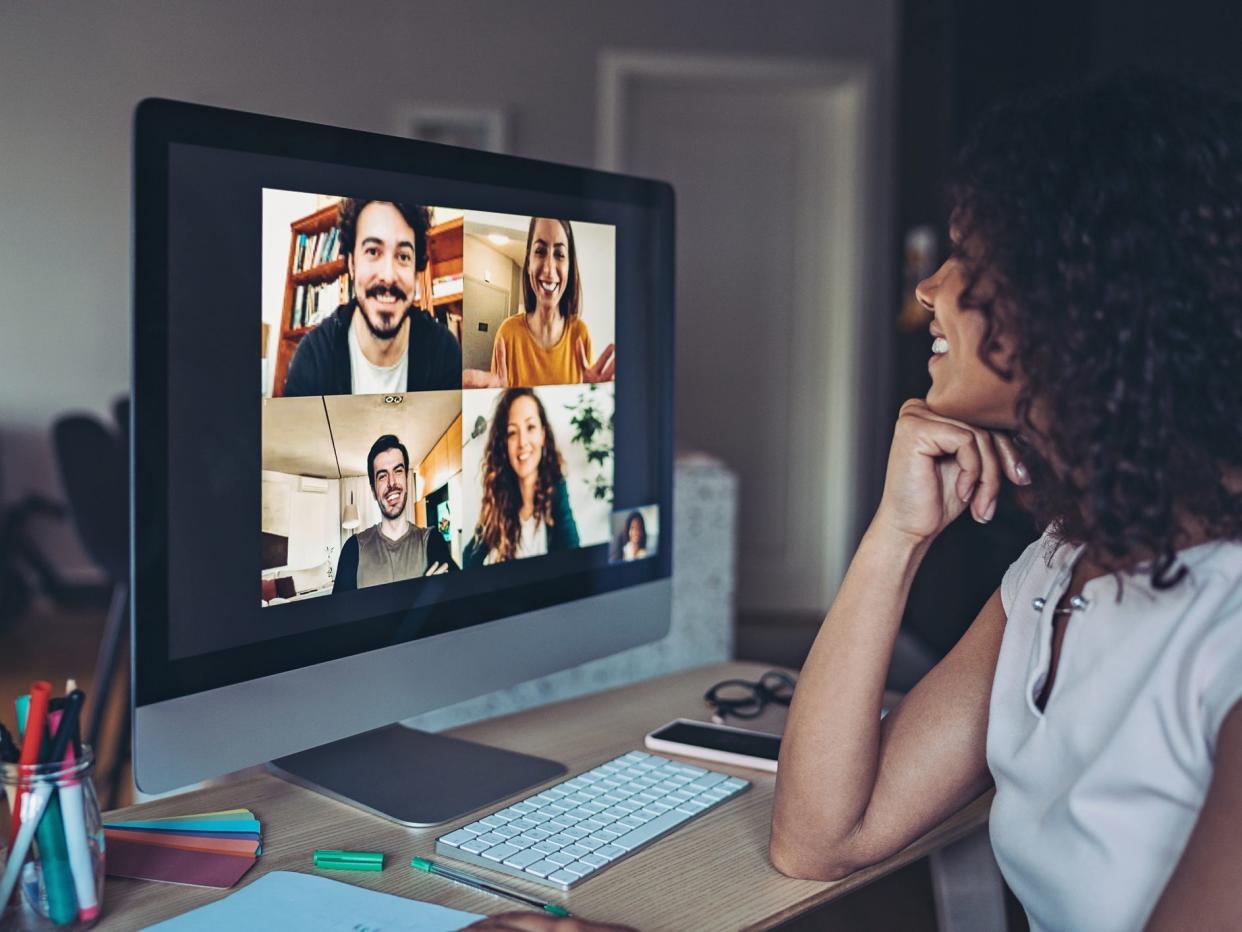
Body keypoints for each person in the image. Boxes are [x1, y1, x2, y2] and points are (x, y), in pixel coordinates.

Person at [769, 74, 1242, 931]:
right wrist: (897, 536)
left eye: (970, 261)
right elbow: (820, 837)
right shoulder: (1062, 566)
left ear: (1078, 301)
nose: (929, 288)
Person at [284, 199, 462, 396]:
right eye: (372, 251)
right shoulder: (313, 357)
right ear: (352, 263)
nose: (388, 276)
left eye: (403, 256)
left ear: (415, 271)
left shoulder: (444, 352)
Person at [462, 218, 616, 388]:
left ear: (569, 266)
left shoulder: (580, 333)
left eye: (559, 254)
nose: (549, 269)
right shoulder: (507, 334)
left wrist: (593, 394)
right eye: (540, 251)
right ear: (528, 262)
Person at [463, 389, 579, 566]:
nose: (522, 442)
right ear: (504, 444)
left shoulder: (557, 493)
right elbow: (469, 559)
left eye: (530, 427)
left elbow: (574, 561)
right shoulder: (499, 502)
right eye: (512, 433)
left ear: (542, 434)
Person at [334, 434, 456, 591]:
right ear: (373, 491)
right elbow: (338, 614)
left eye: (398, 471)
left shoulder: (432, 541)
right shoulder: (353, 549)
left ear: (406, 479)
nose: (392, 483)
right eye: (383, 476)